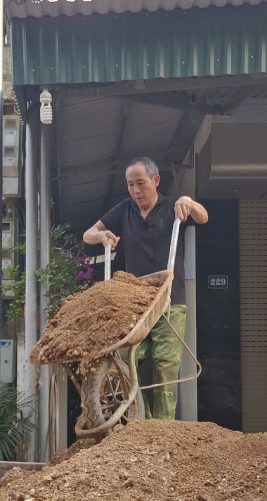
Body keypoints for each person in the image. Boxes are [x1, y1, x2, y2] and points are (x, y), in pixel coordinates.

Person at [82, 157, 209, 421]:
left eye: (140, 183)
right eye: (130, 185)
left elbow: (203, 217)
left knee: (165, 363)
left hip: (169, 299)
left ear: (155, 181)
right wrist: (102, 236)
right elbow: (88, 233)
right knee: (128, 360)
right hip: (135, 303)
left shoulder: (172, 206)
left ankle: (162, 428)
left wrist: (189, 201)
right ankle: (142, 422)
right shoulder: (124, 210)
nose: (135, 190)